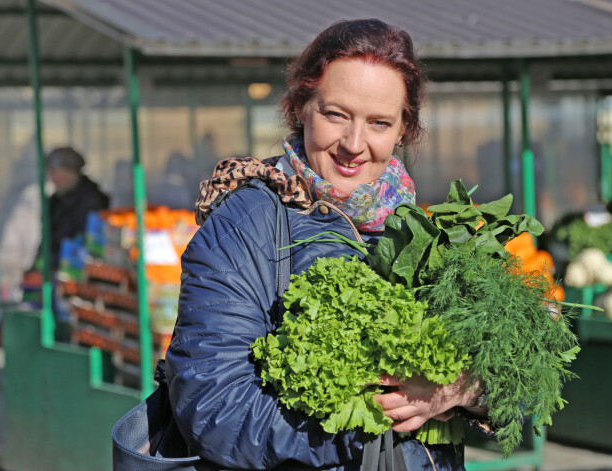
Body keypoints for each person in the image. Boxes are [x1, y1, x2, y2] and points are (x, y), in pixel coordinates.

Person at [163, 19, 491, 471]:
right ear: (301, 107)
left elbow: (525, 389)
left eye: (379, 122)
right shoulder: (247, 225)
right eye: (336, 114)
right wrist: (378, 416)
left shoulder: (422, 229)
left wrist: (462, 390)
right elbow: (214, 408)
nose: (354, 145)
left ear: (402, 130)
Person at [42, 146, 109, 271]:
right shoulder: (56, 200)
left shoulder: (90, 201)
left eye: (55, 171)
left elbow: (85, 246)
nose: (51, 177)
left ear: (71, 173)